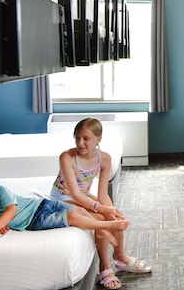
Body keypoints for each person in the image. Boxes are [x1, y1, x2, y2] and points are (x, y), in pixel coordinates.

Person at [0, 162, 131, 290]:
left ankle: (102, 229)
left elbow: (11, 210)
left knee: (80, 211)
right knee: (73, 217)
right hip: (34, 220)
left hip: (42, 204)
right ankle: (105, 226)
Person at [52, 118, 153, 275]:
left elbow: (103, 194)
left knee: (114, 216)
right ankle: (104, 267)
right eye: (77, 138)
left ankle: (120, 255)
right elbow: (76, 194)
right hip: (63, 198)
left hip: (84, 196)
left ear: (98, 139)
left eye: (86, 138)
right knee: (102, 219)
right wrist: (102, 210)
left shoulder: (105, 158)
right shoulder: (67, 157)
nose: (80, 143)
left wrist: (110, 210)